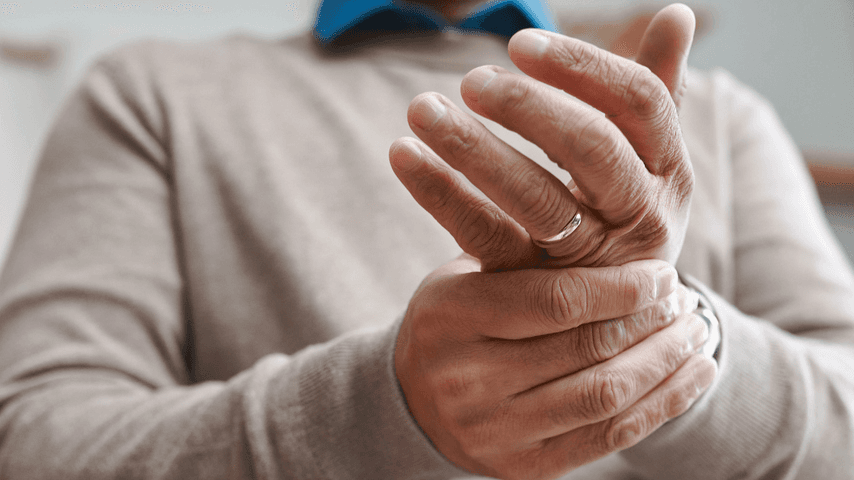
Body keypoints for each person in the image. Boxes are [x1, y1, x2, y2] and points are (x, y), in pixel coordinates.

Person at [0, 0, 851, 478]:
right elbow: (39, 443)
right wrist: (379, 407)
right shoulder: (151, 96)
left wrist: (661, 343)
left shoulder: (719, 117)